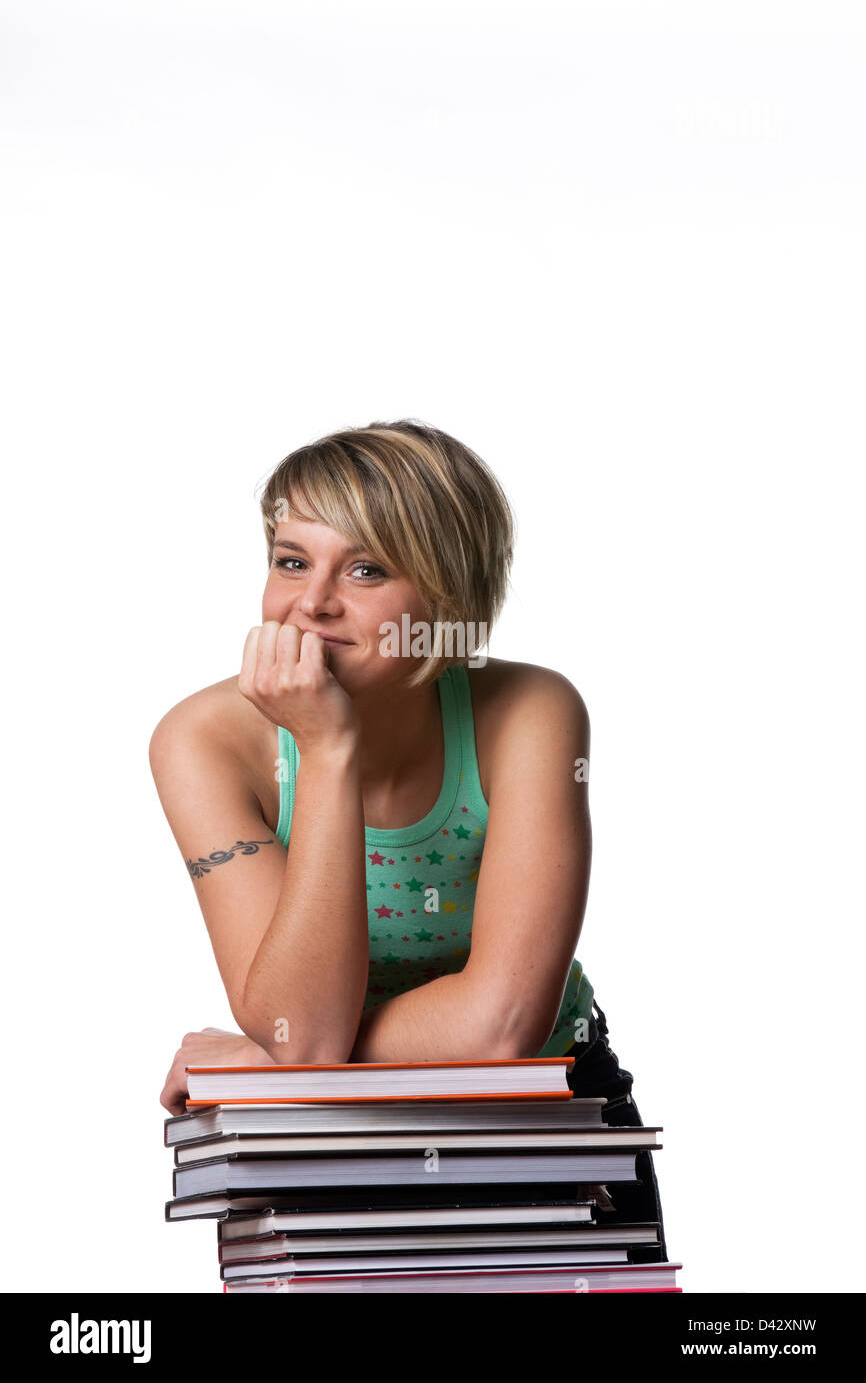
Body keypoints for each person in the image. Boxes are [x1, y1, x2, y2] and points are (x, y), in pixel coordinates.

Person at [149, 418, 667, 1261]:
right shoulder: (200, 741)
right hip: (321, 1139)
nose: (312, 603)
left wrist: (270, 1054)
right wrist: (327, 750)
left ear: (448, 596)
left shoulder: (532, 714)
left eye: (366, 568)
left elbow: (499, 1028)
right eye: (290, 560)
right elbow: (302, 1036)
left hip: (544, 1112)